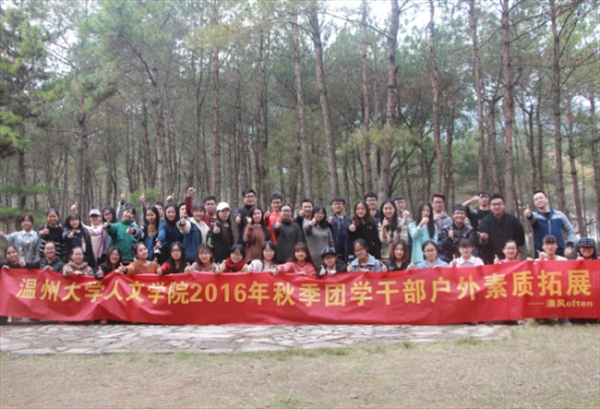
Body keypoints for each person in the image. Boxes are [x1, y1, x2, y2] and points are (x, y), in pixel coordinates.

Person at [524, 190, 576, 258]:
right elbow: (530, 219)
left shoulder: (559, 215)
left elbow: (570, 231)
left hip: (559, 253)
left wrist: (569, 246)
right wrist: (528, 215)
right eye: (536, 199)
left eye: (541, 198)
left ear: (547, 199)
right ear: (534, 203)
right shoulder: (534, 216)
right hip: (541, 254)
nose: (539, 200)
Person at [478, 193, 526, 264]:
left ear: (504, 205)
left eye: (499, 204)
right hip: (490, 259)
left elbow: (520, 239)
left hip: (511, 259)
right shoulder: (485, 221)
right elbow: (480, 242)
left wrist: (519, 254)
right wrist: (483, 239)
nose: (496, 206)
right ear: (490, 206)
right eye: (494, 204)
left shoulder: (513, 220)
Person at [179, 192, 210, 264]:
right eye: (196, 211)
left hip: (202, 257)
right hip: (190, 257)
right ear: (192, 212)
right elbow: (184, 229)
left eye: (201, 211)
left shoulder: (205, 225)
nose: (198, 213)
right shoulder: (189, 222)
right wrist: (182, 224)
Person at [327, 196, 352, 262]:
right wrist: (328, 223)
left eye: (340, 204)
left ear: (344, 206)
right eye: (335, 204)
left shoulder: (348, 219)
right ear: (332, 206)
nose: (337, 205)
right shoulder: (328, 219)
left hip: (347, 250)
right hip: (334, 250)